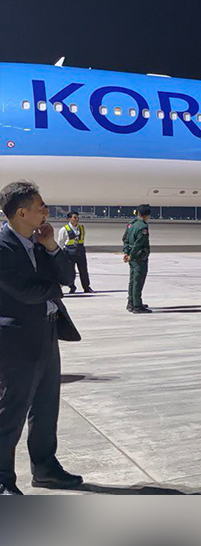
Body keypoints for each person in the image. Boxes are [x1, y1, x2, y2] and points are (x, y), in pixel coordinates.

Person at [0, 180, 84, 495]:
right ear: (22, 213)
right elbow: (26, 292)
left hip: (47, 331)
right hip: (16, 339)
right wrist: (54, 287)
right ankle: (2, 479)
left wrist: (51, 246)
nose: (45, 212)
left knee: (46, 407)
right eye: (40, 207)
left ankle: (46, 468)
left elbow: (68, 276)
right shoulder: (3, 247)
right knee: (12, 410)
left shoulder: (38, 242)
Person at [122, 204, 153, 313]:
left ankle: (131, 302)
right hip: (139, 257)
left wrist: (126, 253)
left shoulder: (131, 224)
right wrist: (132, 255)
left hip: (132, 257)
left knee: (132, 280)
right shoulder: (142, 227)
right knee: (138, 281)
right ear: (146, 215)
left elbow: (125, 239)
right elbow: (138, 244)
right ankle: (137, 306)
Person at [55, 211, 93, 294]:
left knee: (83, 270)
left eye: (77, 217)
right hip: (69, 252)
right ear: (69, 219)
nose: (77, 219)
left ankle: (86, 287)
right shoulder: (64, 229)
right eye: (74, 217)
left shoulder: (81, 228)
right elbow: (61, 242)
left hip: (80, 251)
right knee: (70, 271)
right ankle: (72, 286)